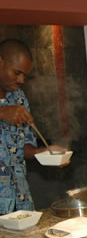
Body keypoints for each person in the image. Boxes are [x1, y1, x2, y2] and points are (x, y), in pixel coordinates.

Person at [0, 39, 67, 214]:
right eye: (17, 72)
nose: (21, 80)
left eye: (24, 75)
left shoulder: (18, 97)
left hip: (20, 200)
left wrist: (44, 152)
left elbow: (21, 148)